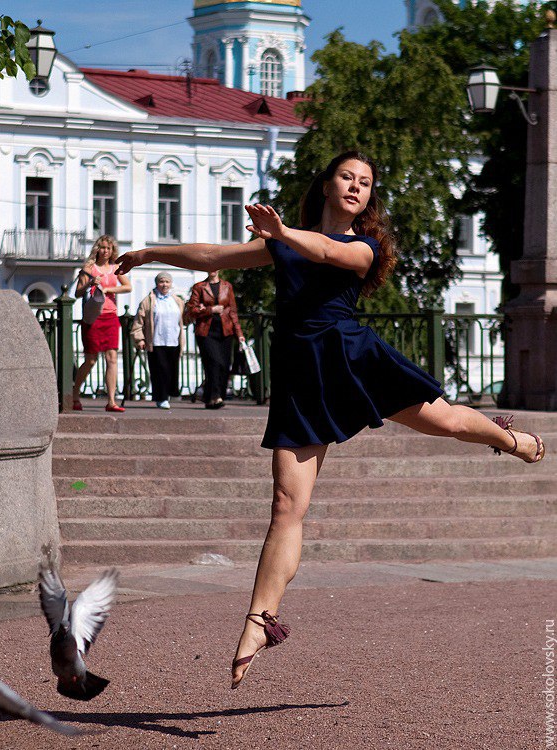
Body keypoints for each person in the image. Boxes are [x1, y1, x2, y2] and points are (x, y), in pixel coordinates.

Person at [115, 150, 546, 689]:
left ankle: (513, 440)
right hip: (301, 374)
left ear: (368, 198)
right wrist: (148, 252)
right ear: (326, 184)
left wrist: (282, 233)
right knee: (285, 506)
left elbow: (322, 249)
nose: (355, 186)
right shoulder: (282, 241)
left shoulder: (361, 248)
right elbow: (212, 255)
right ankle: (258, 622)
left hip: (352, 358)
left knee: (452, 423)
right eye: (347, 176)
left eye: (365, 182)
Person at [72, 235, 131, 412]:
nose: (105, 251)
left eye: (108, 248)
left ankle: (111, 401)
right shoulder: (89, 268)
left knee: (112, 358)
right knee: (90, 359)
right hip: (92, 317)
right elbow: (77, 293)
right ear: (97, 249)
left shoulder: (116, 268)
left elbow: (128, 287)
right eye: (102, 247)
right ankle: (75, 394)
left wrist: (108, 289)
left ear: (112, 251)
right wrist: (90, 282)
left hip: (111, 316)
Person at [186, 271, 245, 409]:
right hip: (206, 332)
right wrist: (210, 310)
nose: (213, 269)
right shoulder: (199, 287)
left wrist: (239, 333)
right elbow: (192, 310)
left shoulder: (227, 286)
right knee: (214, 362)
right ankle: (215, 396)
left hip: (225, 331)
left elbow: (232, 311)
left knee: (224, 365)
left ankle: (211, 397)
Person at [130, 272, 185, 409]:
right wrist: (139, 339)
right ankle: (161, 398)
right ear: (157, 283)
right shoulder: (149, 301)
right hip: (156, 341)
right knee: (160, 370)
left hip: (173, 340)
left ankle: (169, 394)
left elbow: (184, 318)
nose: (164, 285)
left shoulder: (177, 300)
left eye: (167, 282)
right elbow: (139, 321)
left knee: (171, 370)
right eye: (162, 282)